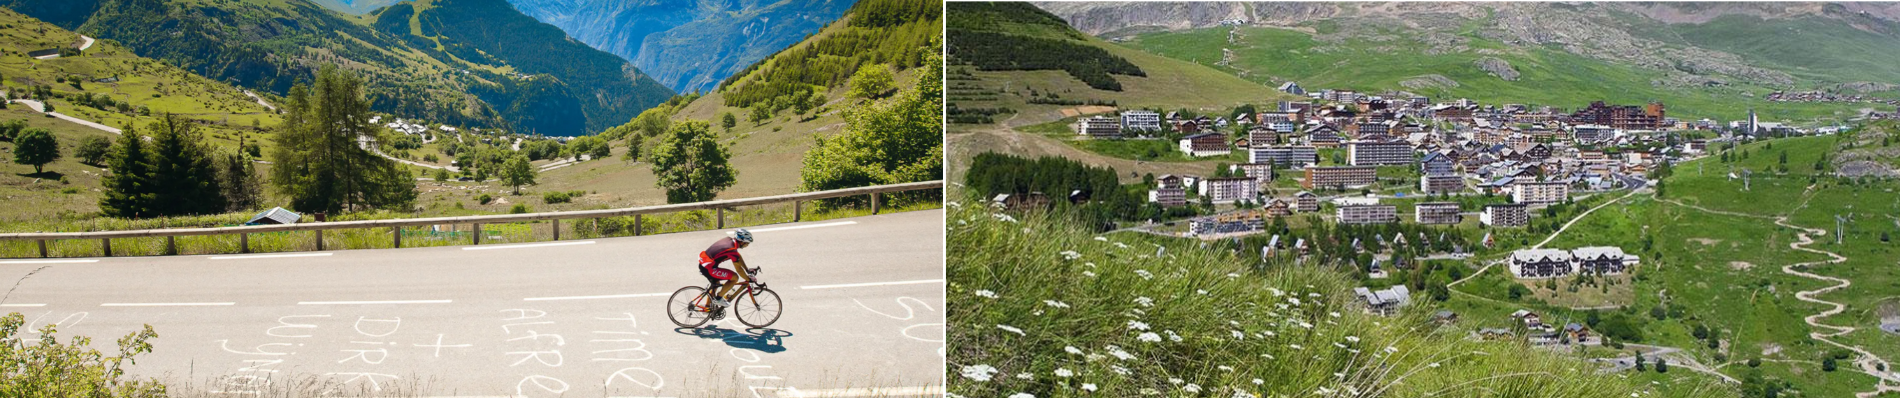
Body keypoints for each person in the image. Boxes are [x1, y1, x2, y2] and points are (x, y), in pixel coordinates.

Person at [698, 228, 754, 314]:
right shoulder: (732, 250)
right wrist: (748, 279)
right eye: (747, 243)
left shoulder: (730, 241)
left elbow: (738, 257)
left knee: (716, 284)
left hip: (705, 263)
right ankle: (719, 299)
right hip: (709, 267)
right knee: (735, 277)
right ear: (742, 242)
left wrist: (747, 270)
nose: (747, 245)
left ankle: (707, 308)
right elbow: (738, 269)